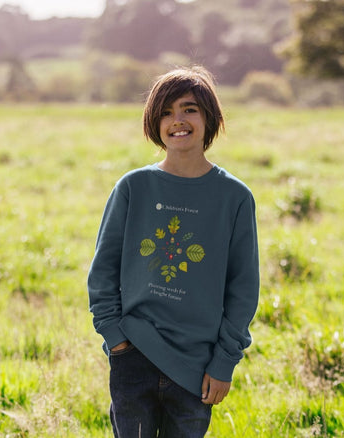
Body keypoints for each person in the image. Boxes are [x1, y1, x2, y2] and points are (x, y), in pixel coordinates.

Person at [87, 66, 260, 438]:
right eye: (166, 112)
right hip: (133, 354)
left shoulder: (235, 198)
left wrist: (224, 361)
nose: (177, 121)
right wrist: (116, 338)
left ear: (209, 118)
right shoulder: (133, 187)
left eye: (189, 109)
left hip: (198, 368)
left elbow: (243, 288)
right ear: (154, 122)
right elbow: (102, 270)